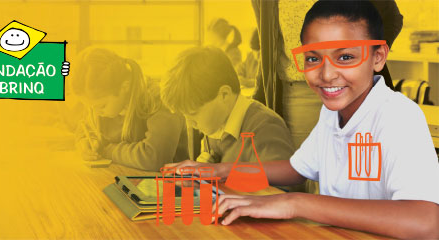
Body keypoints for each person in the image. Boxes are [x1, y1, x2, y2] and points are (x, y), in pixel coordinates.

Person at [166, 1, 439, 238]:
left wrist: (296, 203)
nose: (326, 74)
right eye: (312, 58)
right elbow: (297, 168)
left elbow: (427, 223)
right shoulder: (331, 114)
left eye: (345, 57)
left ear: (377, 57)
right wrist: (220, 171)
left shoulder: (400, 117)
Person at [160, 46, 294, 167]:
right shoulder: (214, 126)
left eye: (193, 113)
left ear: (224, 95)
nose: (190, 123)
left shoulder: (265, 129)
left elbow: (283, 188)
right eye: (185, 115)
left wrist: (221, 175)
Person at [73, 47, 188, 171]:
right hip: (121, 180)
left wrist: (107, 150)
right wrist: (84, 143)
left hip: (169, 185)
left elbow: (153, 158)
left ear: (124, 87)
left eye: (102, 106)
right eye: (90, 108)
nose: (96, 113)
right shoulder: (103, 104)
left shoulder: (159, 101)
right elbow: (85, 128)